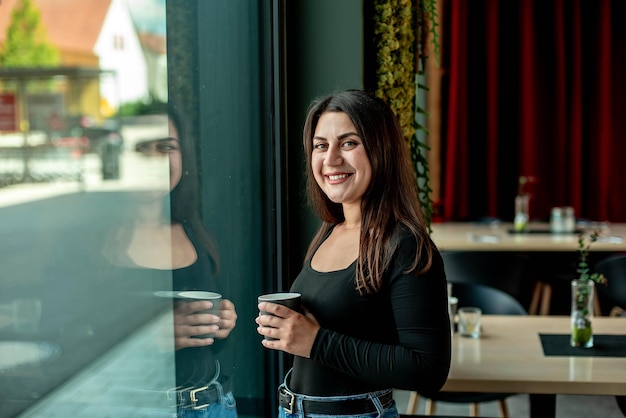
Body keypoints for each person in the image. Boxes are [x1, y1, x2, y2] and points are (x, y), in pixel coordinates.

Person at [256, 89, 451, 418]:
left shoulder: (405, 245)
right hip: (292, 408)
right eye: (321, 145)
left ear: (381, 150)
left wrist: (317, 342)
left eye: (348, 143)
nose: (330, 159)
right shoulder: (329, 231)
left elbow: (428, 369)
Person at [102, 104, 239, 417]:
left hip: (213, 404)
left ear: (183, 156)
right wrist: (146, 342)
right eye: (141, 148)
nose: (154, 158)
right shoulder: (96, 241)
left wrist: (220, 325)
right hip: (131, 406)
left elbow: (207, 349)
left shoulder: (197, 233)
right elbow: (66, 339)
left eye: (166, 146)